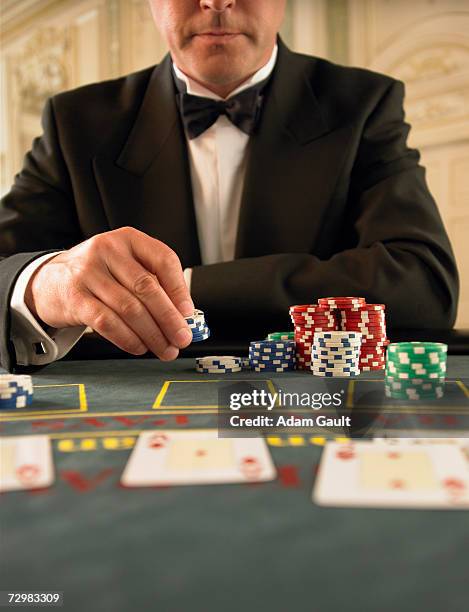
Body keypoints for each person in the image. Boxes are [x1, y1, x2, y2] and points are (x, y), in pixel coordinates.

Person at [0, 0, 459, 374]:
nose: (217, 1)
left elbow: (423, 286)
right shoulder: (74, 120)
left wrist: (190, 287)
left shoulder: (364, 104)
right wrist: (45, 282)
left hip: (311, 401)